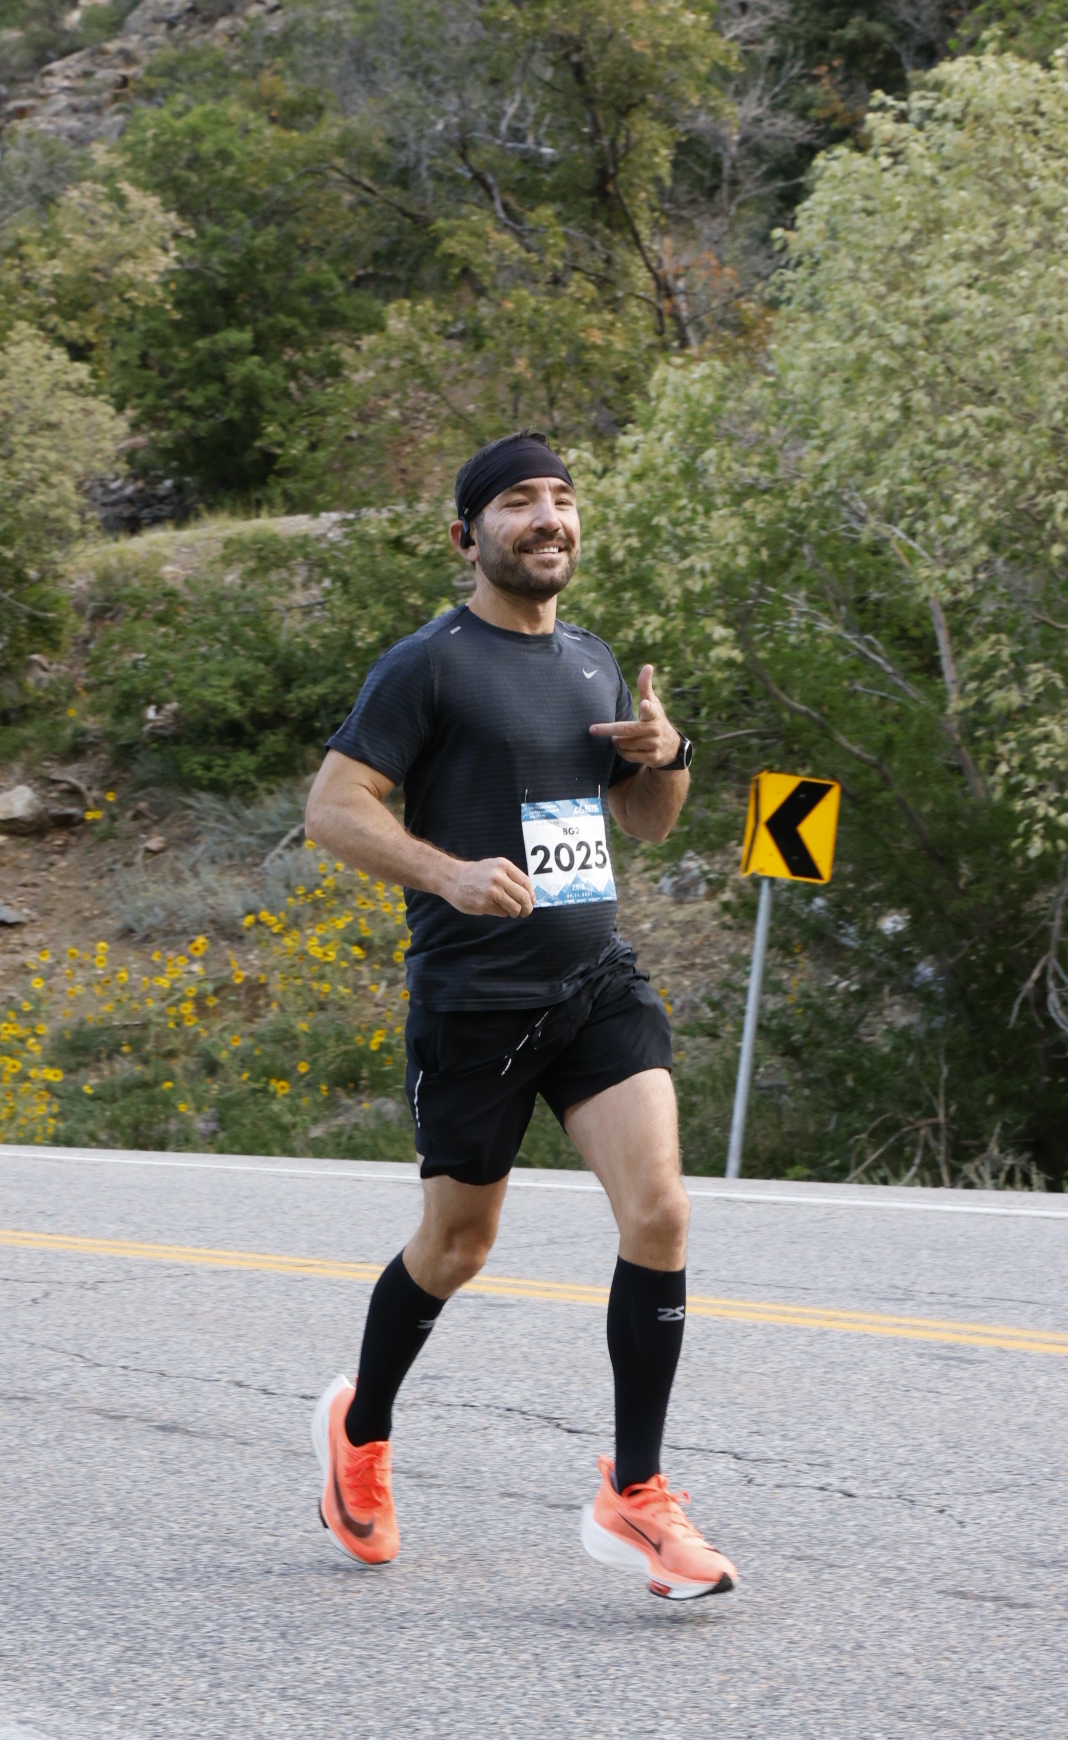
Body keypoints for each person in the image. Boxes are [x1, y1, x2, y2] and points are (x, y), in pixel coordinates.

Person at [303, 431, 736, 1601]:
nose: (547, 517)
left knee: (659, 1212)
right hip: (474, 1003)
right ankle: (362, 1430)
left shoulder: (594, 662)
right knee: (457, 1247)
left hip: (595, 985)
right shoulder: (427, 666)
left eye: (561, 498)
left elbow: (646, 822)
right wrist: (443, 872)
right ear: (467, 536)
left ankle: (635, 1494)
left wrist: (667, 754)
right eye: (516, 502)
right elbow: (332, 809)